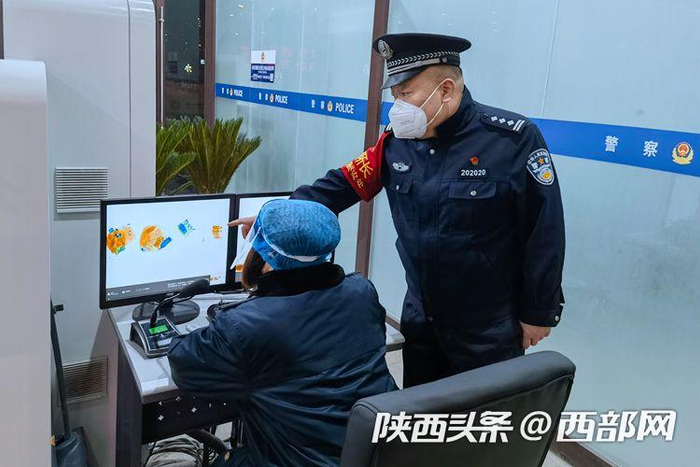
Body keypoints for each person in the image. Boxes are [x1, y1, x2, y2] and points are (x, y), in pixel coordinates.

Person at [230, 33, 566, 388]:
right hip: (422, 318)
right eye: (395, 96)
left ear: (446, 90)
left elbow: (544, 232)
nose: (398, 107)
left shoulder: (511, 140)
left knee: (484, 417)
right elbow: (342, 184)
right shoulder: (396, 143)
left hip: (488, 325)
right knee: (421, 413)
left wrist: (538, 312)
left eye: (406, 94)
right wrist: (278, 217)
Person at [168, 199, 397, 466]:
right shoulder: (361, 292)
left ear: (264, 253)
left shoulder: (246, 326)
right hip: (376, 453)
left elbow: (184, 367)